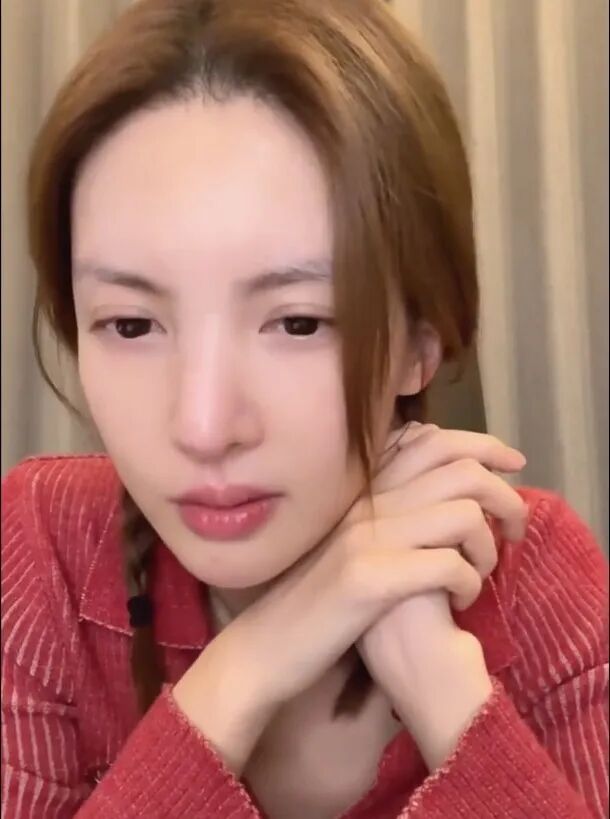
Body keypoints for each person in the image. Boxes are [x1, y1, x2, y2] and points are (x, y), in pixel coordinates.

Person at [1, 0, 607, 816]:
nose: (204, 427)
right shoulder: (44, 547)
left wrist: (446, 694)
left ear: (420, 342)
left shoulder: (534, 574)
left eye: (298, 322)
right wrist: (251, 664)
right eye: (132, 324)